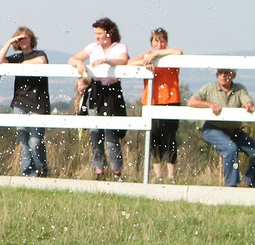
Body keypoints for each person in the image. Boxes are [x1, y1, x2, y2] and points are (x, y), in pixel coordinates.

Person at [69, 17, 130, 180]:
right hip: (95, 91)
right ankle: (99, 171)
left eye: (99, 33)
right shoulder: (92, 47)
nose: (96, 36)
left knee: (111, 134)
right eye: (95, 33)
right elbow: (73, 58)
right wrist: (79, 64)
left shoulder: (119, 47)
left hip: (111, 92)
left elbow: (123, 60)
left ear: (109, 33)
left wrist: (107, 61)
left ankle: (117, 171)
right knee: (95, 133)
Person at [0, 26, 50, 177]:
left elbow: (41, 61)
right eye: (19, 39)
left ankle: (40, 170)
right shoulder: (17, 57)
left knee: (35, 141)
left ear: (31, 39)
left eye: (25, 37)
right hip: (20, 102)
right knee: (23, 141)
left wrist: (20, 65)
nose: (22, 41)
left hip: (38, 102)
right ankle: (28, 172)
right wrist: (9, 42)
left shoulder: (39, 54)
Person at [187, 68, 255, 187]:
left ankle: (249, 182)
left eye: (227, 72)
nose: (223, 76)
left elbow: (246, 102)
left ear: (233, 75)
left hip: (234, 131)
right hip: (213, 129)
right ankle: (231, 185)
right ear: (217, 75)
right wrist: (209, 104)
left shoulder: (239, 89)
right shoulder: (209, 88)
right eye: (220, 73)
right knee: (230, 149)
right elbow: (192, 102)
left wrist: (247, 105)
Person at [131, 28, 183, 182]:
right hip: (151, 101)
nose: (159, 44)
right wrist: (145, 63)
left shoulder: (170, 56)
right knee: (153, 139)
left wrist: (157, 55)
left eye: (162, 41)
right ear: (152, 42)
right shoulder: (147, 57)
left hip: (170, 101)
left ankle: (172, 175)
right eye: (156, 41)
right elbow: (130, 63)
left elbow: (179, 52)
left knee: (169, 139)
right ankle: (158, 176)